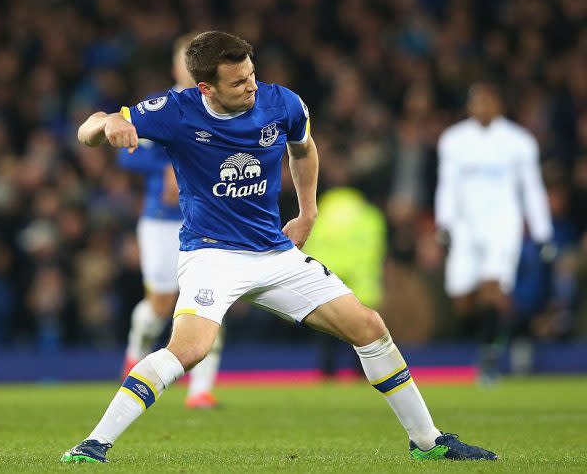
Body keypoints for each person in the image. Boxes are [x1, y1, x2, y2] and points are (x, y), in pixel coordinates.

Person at [64, 31, 497, 463]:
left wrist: (307, 213)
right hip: (212, 255)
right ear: (205, 88)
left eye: (251, 75)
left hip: (275, 254)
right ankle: (93, 444)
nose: (251, 86)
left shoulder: (283, 103)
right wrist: (109, 122)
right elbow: (88, 130)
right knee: (189, 349)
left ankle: (427, 442)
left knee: (369, 326)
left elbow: (304, 150)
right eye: (237, 83)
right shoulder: (176, 111)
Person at [117, 33, 223, 409]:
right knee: (160, 304)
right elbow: (125, 153)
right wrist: (164, 167)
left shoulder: (224, 106)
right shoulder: (159, 107)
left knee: (210, 301)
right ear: (177, 66)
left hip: (209, 219)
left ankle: (201, 390)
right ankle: (137, 345)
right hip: (162, 220)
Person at [435, 81, 554, 385]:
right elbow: (447, 185)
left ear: (499, 104)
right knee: (462, 298)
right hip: (465, 226)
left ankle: (488, 359)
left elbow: (532, 188)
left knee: (493, 287)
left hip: (503, 224)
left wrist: (542, 233)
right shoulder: (453, 140)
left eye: (488, 101)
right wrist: (444, 224)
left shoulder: (519, 141)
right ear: (470, 106)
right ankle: (501, 337)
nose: (483, 107)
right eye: (477, 101)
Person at [302, 187, 386, 378]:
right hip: (362, 288)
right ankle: (366, 376)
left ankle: (327, 374)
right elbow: (375, 251)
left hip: (325, 286)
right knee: (365, 339)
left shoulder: (318, 215)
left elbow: (308, 249)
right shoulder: (369, 216)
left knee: (326, 337)